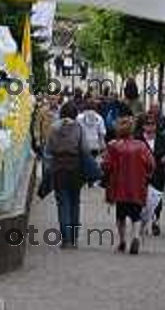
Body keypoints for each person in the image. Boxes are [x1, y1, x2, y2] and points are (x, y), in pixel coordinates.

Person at [102, 115, 154, 254]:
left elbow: (106, 165)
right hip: (137, 185)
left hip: (119, 186)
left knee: (121, 214)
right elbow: (150, 163)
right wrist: (147, 175)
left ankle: (122, 241)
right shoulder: (141, 145)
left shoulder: (113, 146)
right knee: (135, 214)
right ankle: (136, 236)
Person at [46, 101, 90, 248]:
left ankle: (66, 239)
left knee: (62, 203)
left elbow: (49, 149)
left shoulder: (53, 128)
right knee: (75, 203)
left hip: (58, 168)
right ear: (75, 114)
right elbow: (84, 149)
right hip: (75, 168)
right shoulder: (79, 127)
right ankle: (74, 238)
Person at [137, 112, 165, 236]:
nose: (150, 127)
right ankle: (143, 221)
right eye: (147, 124)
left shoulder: (162, 139)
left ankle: (155, 220)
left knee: (156, 198)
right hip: (142, 173)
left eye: (152, 124)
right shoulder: (138, 139)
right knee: (142, 198)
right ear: (143, 126)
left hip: (158, 173)